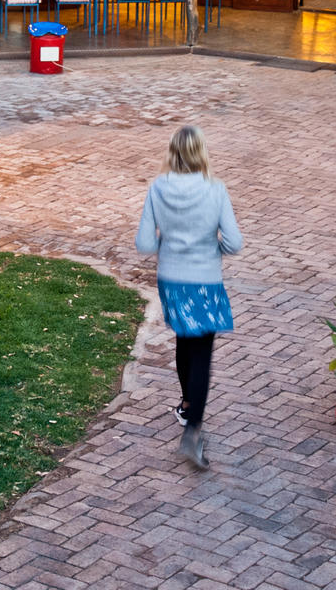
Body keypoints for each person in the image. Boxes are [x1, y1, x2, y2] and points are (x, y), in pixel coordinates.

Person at [135, 125, 242, 469]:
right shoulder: (215, 189)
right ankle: (193, 428)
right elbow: (235, 242)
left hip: (172, 280)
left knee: (184, 340)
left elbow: (145, 244)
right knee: (202, 353)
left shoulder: (158, 187)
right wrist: (215, 246)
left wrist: (168, 244)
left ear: (172, 153)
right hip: (205, 281)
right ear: (201, 153)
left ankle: (185, 407)